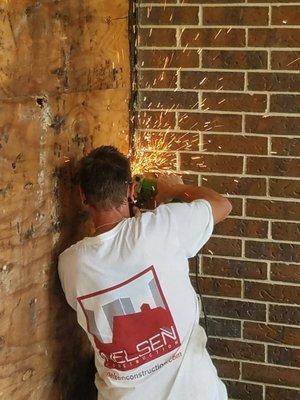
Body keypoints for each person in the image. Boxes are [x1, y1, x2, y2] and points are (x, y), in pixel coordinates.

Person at [58, 145, 231, 400]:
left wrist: (138, 223)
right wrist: (173, 190)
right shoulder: (161, 228)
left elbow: (115, 255)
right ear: (130, 191)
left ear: (83, 196)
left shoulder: (69, 264)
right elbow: (222, 205)